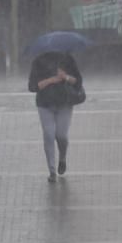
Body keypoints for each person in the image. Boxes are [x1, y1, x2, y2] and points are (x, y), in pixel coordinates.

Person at [28, 51, 83, 183]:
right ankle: (52, 171)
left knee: (61, 136)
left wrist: (65, 77)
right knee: (49, 135)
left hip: (65, 103)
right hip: (45, 105)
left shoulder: (67, 58)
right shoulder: (38, 61)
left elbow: (78, 82)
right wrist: (51, 80)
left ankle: (62, 158)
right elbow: (33, 86)